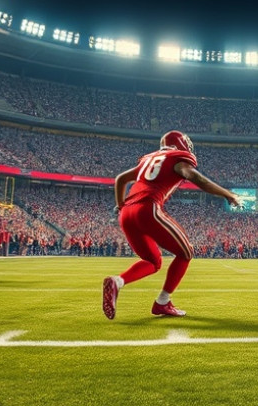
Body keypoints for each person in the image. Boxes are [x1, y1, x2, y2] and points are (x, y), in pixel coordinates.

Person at [102, 131, 240, 320]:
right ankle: (163, 302)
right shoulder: (178, 159)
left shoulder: (147, 160)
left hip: (126, 213)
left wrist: (120, 205)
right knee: (186, 253)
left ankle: (118, 282)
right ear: (180, 144)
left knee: (153, 262)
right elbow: (197, 178)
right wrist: (227, 194)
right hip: (147, 208)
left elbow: (120, 180)